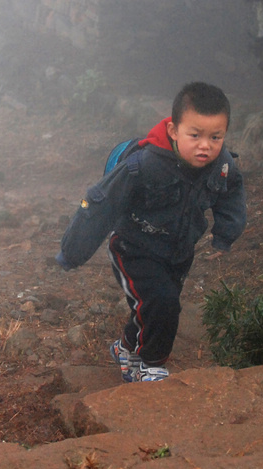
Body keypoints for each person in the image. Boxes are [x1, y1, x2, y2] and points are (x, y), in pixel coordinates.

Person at [55, 81, 246, 382]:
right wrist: (72, 251)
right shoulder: (144, 165)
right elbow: (101, 202)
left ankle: (127, 347)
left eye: (215, 137)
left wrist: (227, 232)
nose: (205, 145)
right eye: (194, 135)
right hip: (134, 247)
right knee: (162, 301)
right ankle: (150, 365)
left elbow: (232, 190)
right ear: (173, 131)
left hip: (179, 251)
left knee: (153, 305)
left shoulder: (221, 165)